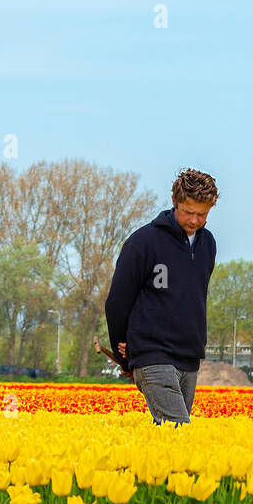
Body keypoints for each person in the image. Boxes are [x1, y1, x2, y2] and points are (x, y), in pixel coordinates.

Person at [104, 168, 218, 425]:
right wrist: (122, 349)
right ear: (174, 202)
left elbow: (194, 299)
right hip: (152, 353)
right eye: (188, 212)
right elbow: (118, 301)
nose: (194, 220)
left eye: (202, 214)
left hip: (189, 355)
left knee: (170, 442)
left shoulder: (208, 244)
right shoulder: (144, 241)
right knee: (177, 428)